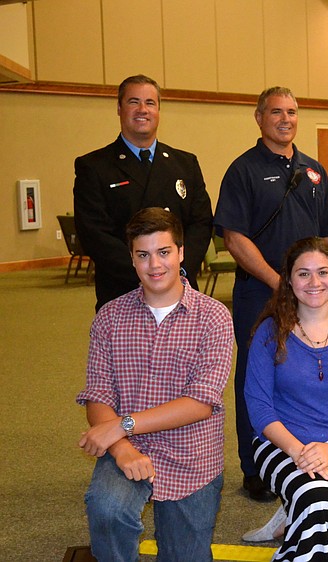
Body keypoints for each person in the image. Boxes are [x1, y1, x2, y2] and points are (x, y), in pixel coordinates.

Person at [76, 207, 232, 562]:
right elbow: (98, 394)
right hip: (127, 447)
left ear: (181, 253)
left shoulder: (214, 316)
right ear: (131, 258)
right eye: (143, 255)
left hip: (192, 455)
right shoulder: (110, 317)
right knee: (108, 509)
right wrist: (123, 447)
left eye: (164, 252)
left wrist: (122, 424)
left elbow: (200, 402)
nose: (154, 265)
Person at [214, 86, 328, 502]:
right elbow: (234, 238)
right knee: (257, 377)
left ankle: (303, 456)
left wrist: (315, 284)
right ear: (259, 117)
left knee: (305, 374)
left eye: (292, 112)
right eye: (276, 112)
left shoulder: (314, 171)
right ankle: (256, 468)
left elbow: (325, 237)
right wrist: (278, 282)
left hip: (312, 296)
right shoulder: (243, 170)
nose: (286, 119)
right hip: (260, 294)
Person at [243, 237, 328, 562]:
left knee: (317, 517)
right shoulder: (269, 331)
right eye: (303, 273)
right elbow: (260, 409)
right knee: (319, 500)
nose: (314, 282)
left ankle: (294, 516)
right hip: (281, 447)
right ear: (289, 280)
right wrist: (301, 453)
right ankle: (300, 505)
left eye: (323, 272)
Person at [74, 74, 213, 311]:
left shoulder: (185, 164)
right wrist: (147, 271)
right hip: (122, 292)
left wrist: (177, 271)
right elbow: (94, 234)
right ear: (119, 108)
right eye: (133, 102)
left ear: (159, 109)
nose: (142, 110)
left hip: (181, 290)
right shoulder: (95, 166)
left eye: (150, 103)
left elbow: (200, 223)